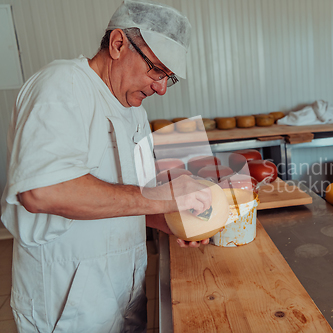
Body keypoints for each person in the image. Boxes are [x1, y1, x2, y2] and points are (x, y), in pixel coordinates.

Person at [0, 1, 212, 332]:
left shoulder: (135, 113)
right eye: (156, 70)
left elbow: (129, 198)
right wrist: (166, 197)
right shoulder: (62, 86)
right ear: (117, 44)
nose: (159, 87)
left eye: (167, 78)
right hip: (68, 303)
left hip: (123, 290)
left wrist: (167, 220)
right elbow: (41, 191)